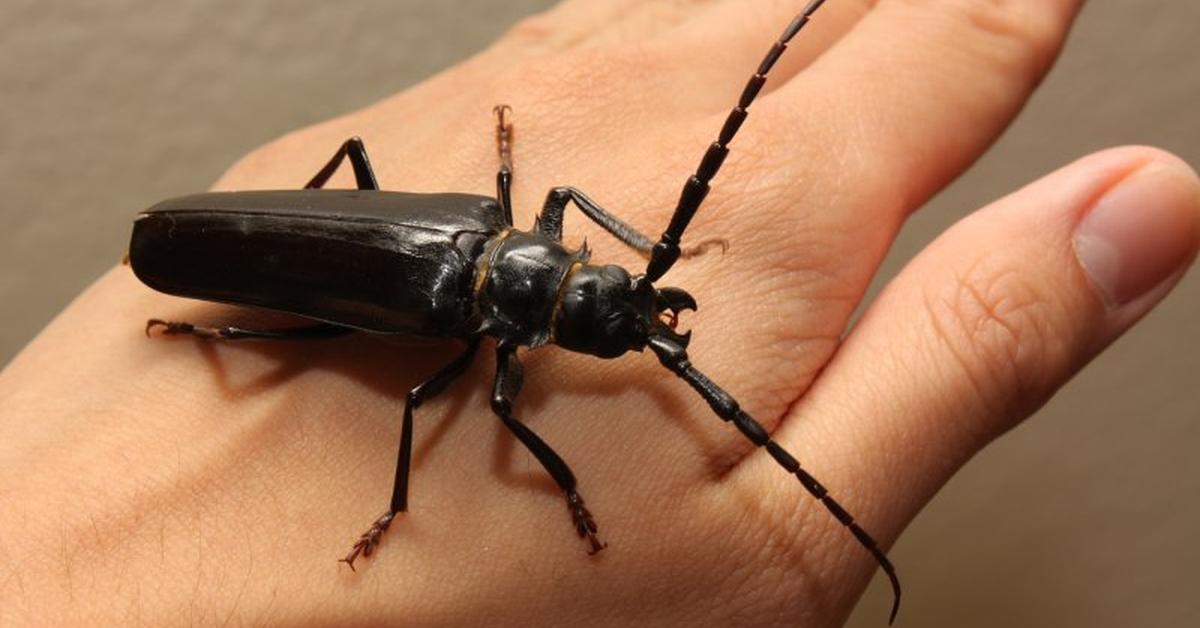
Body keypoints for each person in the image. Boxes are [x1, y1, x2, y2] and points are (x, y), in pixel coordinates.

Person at [1, 1, 1196, 625]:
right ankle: (220, 334)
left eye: (616, 307)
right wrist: (559, 489)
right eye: (615, 306)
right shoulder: (463, 319)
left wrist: (650, 263)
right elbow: (462, 403)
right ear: (549, 291)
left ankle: (223, 326)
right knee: (363, 364)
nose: (638, 318)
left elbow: (572, 228)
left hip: (323, 238)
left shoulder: (509, 218)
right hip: (239, 249)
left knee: (380, 288)